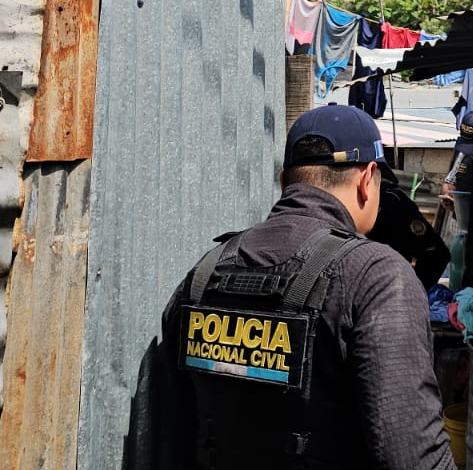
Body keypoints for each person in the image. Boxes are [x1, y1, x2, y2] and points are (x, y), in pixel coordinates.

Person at [154, 104, 455, 470]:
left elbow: (170, 431)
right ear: (367, 179)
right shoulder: (376, 276)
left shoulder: (205, 272)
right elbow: (412, 455)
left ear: (285, 181)